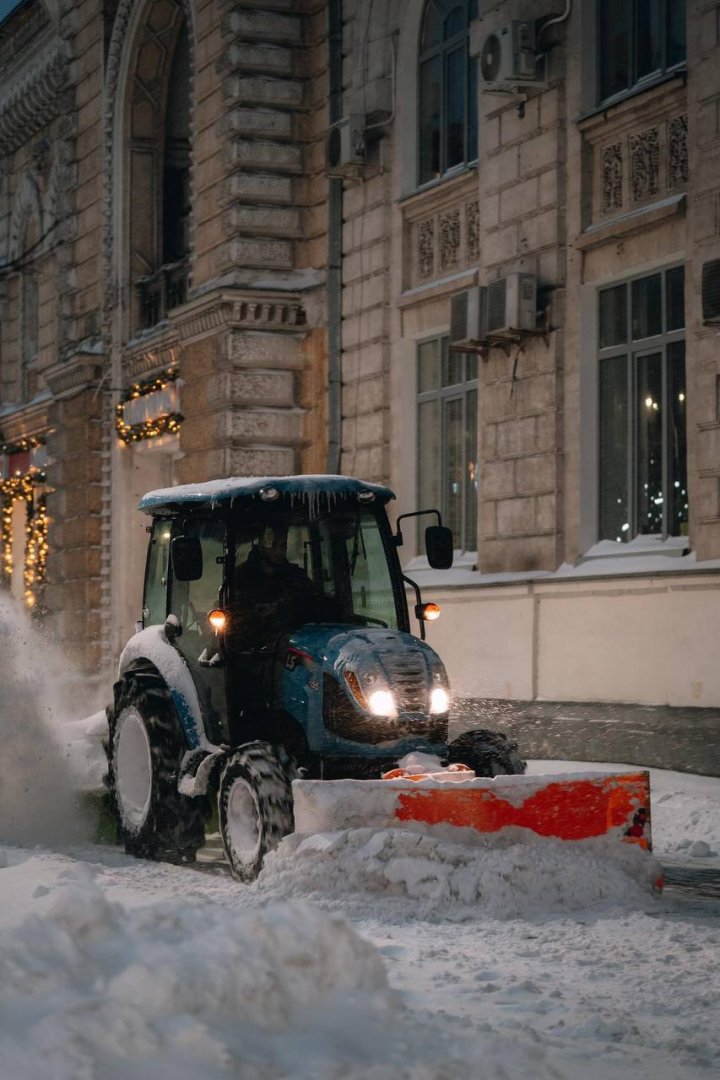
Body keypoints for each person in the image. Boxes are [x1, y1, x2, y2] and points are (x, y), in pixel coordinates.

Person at [233, 523, 316, 645]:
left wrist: (282, 608)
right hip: (250, 650)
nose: (279, 551)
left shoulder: (296, 578)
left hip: (293, 646)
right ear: (261, 545)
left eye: (283, 545)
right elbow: (235, 619)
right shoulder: (240, 579)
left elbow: (311, 605)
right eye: (273, 545)